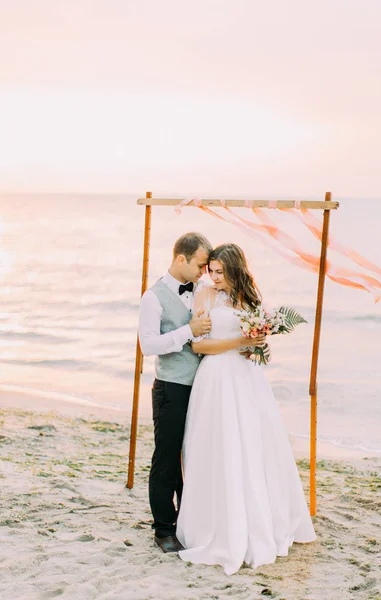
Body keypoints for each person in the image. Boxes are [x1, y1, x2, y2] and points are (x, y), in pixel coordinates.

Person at [176, 243, 316, 575]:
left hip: (247, 379)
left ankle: (259, 519)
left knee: (254, 446)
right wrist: (241, 342)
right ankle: (215, 525)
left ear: (236, 269)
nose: (213, 277)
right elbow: (198, 345)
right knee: (217, 447)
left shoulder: (251, 300)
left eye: (220, 272)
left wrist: (258, 344)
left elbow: (257, 343)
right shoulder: (204, 296)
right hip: (215, 378)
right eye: (210, 270)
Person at [138, 232, 213, 553]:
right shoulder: (152, 298)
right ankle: (164, 529)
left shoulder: (205, 291)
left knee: (196, 458)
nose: (204, 272)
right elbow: (148, 345)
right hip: (171, 389)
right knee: (167, 460)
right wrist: (188, 332)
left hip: (206, 389)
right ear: (181, 258)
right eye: (200, 265)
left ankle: (189, 522)